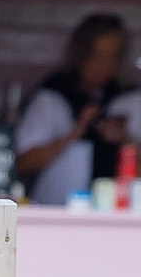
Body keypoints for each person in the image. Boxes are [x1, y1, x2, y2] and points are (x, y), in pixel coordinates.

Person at [15, 13, 141, 206]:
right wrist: (72, 134)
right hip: (54, 211)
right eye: (96, 56)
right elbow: (24, 163)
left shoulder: (131, 100)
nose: (103, 66)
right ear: (80, 54)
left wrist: (126, 139)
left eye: (111, 58)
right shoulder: (51, 97)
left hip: (119, 218)